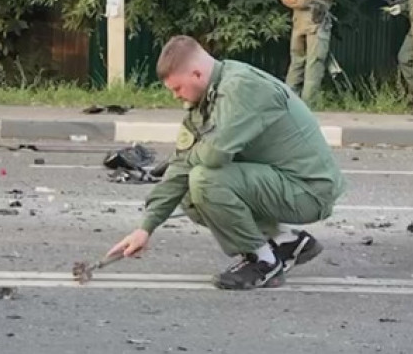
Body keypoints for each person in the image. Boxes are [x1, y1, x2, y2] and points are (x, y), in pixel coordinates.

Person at [107, 36, 347, 290]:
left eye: (177, 89)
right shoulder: (206, 98)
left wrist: (190, 156)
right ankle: (285, 240)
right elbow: (181, 165)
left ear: (197, 74)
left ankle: (263, 262)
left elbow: (213, 155)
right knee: (189, 190)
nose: (176, 96)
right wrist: (145, 228)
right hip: (280, 181)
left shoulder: (241, 89)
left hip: (309, 190)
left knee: (205, 179)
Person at [283, 0, 349, 104]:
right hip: (316, 16)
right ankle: (308, 105)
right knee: (315, 61)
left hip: (298, 14)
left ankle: (288, 102)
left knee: (297, 59)